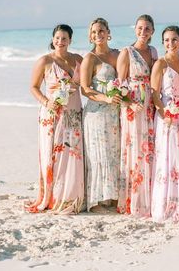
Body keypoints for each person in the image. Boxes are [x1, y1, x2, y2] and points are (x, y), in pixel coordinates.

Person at [26, 24, 84, 214]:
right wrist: (45, 101)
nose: (60, 41)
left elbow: (88, 83)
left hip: (74, 113)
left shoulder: (78, 60)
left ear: (70, 41)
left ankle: (71, 196)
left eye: (64, 38)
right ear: (53, 39)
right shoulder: (45, 61)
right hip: (52, 114)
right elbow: (33, 87)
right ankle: (54, 197)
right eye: (57, 38)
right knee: (54, 155)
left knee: (72, 154)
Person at [116, 14, 158, 217]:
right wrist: (131, 104)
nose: (143, 31)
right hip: (133, 108)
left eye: (147, 28)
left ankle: (150, 199)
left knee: (149, 149)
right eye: (140, 28)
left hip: (150, 106)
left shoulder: (154, 51)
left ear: (153, 31)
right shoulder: (127, 52)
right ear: (135, 29)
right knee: (135, 150)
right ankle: (134, 200)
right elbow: (119, 86)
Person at [80, 18, 121, 212]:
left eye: (102, 31)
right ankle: (96, 201)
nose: (98, 35)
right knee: (99, 155)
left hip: (115, 113)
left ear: (108, 32)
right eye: (94, 32)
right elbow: (85, 89)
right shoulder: (90, 58)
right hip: (96, 113)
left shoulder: (118, 54)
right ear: (90, 36)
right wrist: (105, 98)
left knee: (114, 153)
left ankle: (113, 197)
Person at [150, 25, 179, 224]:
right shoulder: (160, 64)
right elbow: (155, 94)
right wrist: (164, 113)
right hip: (167, 115)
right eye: (166, 40)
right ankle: (168, 204)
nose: (170, 43)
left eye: (174, 39)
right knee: (168, 158)